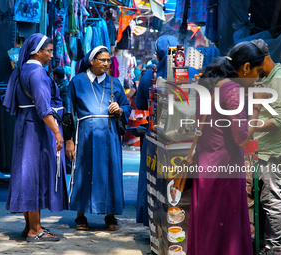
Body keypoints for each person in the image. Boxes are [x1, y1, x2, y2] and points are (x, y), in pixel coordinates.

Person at [186, 41, 269, 255]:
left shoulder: (212, 84)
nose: (258, 78)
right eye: (258, 72)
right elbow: (241, 138)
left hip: (205, 167)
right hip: (224, 171)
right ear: (246, 67)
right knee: (225, 233)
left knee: (209, 231)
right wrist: (258, 109)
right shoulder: (232, 90)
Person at [3, 33, 69, 242]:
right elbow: (43, 107)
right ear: (37, 52)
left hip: (24, 125)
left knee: (26, 173)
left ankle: (28, 226)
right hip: (37, 128)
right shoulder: (38, 73)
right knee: (35, 175)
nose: (51, 55)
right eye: (49, 51)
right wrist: (58, 133)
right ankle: (35, 229)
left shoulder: (21, 70)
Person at [65, 46, 131, 231]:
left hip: (109, 135)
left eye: (109, 60)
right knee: (83, 172)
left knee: (110, 172)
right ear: (91, 61)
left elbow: (127, 107)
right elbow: (69, 113)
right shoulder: (77, 81)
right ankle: (80, 215)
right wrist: (69, 140)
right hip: (85, 134)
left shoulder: (114, 82)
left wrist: (119, 109)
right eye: (102, 60)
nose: (107, 63)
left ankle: (110, 216)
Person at [135, 35, 199, 226]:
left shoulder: (150, 74)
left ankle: (153, 224)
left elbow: (139, 104)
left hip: (156, 136)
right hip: (188, 137)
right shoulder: (193, 72)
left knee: (153, 180)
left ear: (159, 52)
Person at [252, 39, 281, 255]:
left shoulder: (279, 81)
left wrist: (249, 127)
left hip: (273, 151)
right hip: (264, 149)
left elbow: (278, 121)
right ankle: (267, 245)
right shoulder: (270, 79)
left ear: (261, 60)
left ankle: (274, 249)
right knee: (266, 199)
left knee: (271, 200)